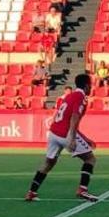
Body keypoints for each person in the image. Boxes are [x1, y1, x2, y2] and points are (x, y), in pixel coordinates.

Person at [25, 73, 98, 202]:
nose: (91, 87)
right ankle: (82, 190)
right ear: (87, 86)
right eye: (90, 85)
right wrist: (73, 137)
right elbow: (75, 117)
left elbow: (66, 117)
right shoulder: (81, 97)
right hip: (65, 133)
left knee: (49, 162)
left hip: (54, 132)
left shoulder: (69, 96)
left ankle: (31, 192)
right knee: (90, 159)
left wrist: (84, 138)